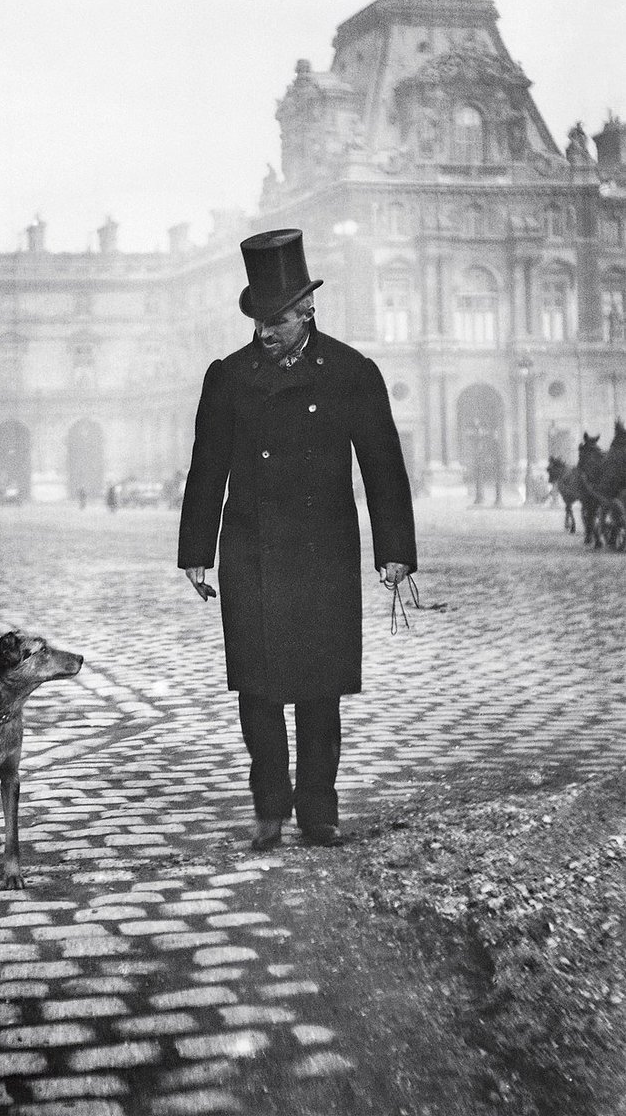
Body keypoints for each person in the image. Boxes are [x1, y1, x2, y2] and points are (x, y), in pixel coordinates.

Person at [178, 228, 416, 850]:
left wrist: (395, 549)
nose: (265, 332)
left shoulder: (351, 372)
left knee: (319, 688)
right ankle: (268, 808)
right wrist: (196, 553)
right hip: (250, 550)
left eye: (277, 319)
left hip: (324, 548)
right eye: (258, 319)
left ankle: (318, 811)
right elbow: (207, 466)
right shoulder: (227, 377)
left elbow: (383, 464)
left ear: (308, 309)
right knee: (256, 687)